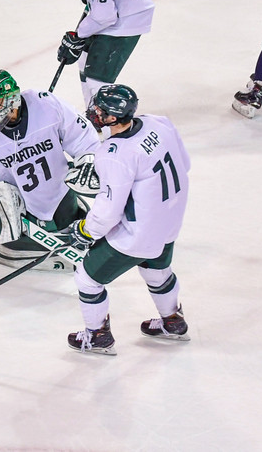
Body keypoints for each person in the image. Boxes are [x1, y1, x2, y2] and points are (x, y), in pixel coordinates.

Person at [66, 84, 191, 355]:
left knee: (87, 279)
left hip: (138, 233)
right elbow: (185, 164)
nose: (94, 112)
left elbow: (108, 211)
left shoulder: (115, 154)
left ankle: (97, 336)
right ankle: (172, 321)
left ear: (112, 118)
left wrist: (87, 230)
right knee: (156, 270)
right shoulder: (158, 123)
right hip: (170, 220)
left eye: (100, 110)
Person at [0, 69, 101, 271]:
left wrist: (87, 159)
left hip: (60, 193)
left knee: (69, 222)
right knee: (12, 237)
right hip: (23, 204)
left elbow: (81, 134)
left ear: (12, 100)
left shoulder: (45, 105)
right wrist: (2, 202)